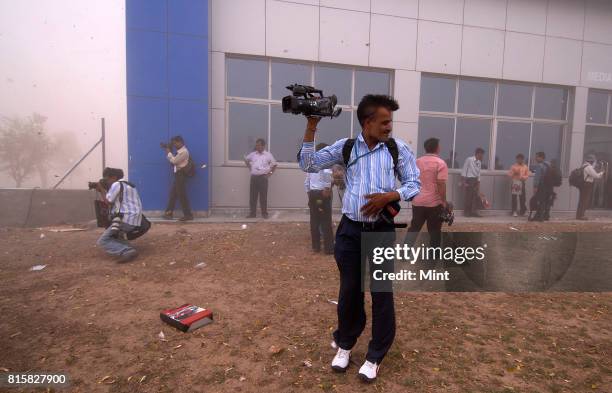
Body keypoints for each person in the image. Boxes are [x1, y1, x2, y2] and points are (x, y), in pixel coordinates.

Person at [299, 94, 420, 382]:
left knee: (381, 294)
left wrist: (392, 195)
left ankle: (376, 354)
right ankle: (345, 343)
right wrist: (311, 126)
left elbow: (415, 183)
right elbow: (308, 164)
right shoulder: (347, 147)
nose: (389, 127)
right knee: (350, 291)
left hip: (381, 231)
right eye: (384, 122)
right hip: (350, 231)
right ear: (368, 122)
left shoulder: (397, 149)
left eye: (390, 122)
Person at [406, 137, 448, 248]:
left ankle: (404, 253)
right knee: (434, 231)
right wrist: (443, 201)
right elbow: (441, 183)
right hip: (434, 204)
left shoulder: (417, 162)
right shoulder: (440, 163)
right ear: (437, 148)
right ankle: (433, 256)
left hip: (418, 202)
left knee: (414, 228)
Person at [96, 167, 143, 262]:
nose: (106, 181)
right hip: (135, 219)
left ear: (113, 177)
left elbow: (108, 202)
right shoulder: (128, 185)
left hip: (126, 218)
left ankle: (127, 251)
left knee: (103, 241)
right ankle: (128, 247)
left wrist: (101, 190)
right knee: (116, 235)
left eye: (107, 179)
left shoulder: (117, 184)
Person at [305, 143, 334, 254]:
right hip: (322, 194)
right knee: (326, 220)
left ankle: (316, 247)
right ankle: (329, 248)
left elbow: (306, 182)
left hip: (313, 194)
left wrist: (309, 195)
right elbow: (327, 174)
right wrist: (327, 189)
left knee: (314, 221)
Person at [162, 135, 193, 221]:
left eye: (175, 143)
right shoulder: (180, 152)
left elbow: (174, 161)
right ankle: (169, 213)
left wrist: (168, 152)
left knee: (181, 195)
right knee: (173, 194)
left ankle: (188, 215)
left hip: (181, 175)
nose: (174, 145)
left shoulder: (184, 152)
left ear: (180, 142)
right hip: (178, 175)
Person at [244, 139, 277, 219]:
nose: (257, 146)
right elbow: (246, 160)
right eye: (256, 145)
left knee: (263, 197)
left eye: (259, 145)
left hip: (263, 178)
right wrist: (250, 168)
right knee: (253, 197)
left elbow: (274, 164)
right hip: (254, 178)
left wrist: (270, 174)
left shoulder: (268, 155)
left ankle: (264, 214)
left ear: (263, 146)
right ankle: (252, 214)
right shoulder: (253, 154)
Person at [576, 154, 604, 220]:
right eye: (593, 161)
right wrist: (602, 173)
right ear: (591, 161)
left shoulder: (583, 165)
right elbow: (596, 176)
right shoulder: (589, 167)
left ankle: (578, 215)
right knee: (585, 200)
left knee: (581, 200)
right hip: (587, 185)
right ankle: (582, 215)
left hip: (583, 184)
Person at [461, 148, 484, 217]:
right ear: (477, 153)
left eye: (482, 155)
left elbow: (479, 173)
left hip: (475, 180)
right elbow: (464, 169)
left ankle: (473, 212)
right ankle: (467, 212)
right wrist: (463, 181)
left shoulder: (479, 162)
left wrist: (478, 182)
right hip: (469, 179)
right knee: (469, 196)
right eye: (481, 154)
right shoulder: (469, 159)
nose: (482, 156)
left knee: (475, 197)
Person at [532, 152, 553, 221]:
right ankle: (546, 216)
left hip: (542, 185)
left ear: (541, 157)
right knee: (547, 200)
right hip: (550, 186)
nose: (536, 158)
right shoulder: (549, 164)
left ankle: (539, 217)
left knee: (541, 201)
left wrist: (535, 187)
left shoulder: (539, 166)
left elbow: (537, 178)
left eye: (537, 157)